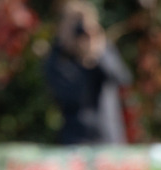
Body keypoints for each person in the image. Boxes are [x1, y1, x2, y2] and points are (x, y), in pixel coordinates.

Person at [44, 1, 131, 145]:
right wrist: (77, 56)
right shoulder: (58, 58)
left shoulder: (103, 51)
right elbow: (72, 95)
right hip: (75, 141)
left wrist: (98, 56)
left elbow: (123, 79)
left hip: (109, 139)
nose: (81, 32)